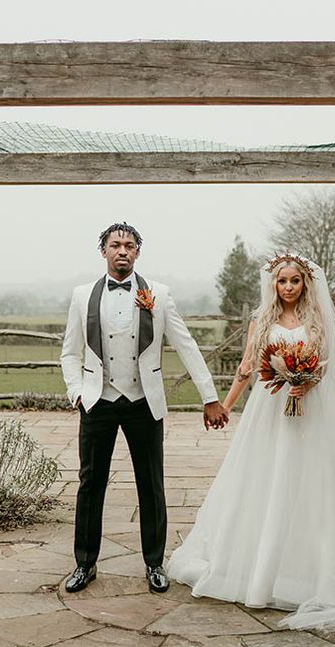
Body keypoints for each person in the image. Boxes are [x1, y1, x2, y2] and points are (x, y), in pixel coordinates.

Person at [168, 254, 335, 633]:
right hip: (269, 412)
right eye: (281, 281)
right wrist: (225, 406)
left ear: (305, 283)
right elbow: (247, 367)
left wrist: (308, 381)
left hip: (310, 413)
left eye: (294, 282)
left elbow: (328, 366)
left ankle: (312, 571)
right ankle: (257, 566)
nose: (287, 288)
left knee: (311, 483)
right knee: (263, 480)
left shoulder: (317, 320)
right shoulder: (261, 320)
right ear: (273, 284)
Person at [60, 222, 229, 594]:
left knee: (151, 484)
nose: (123, 251)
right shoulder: (81, 295)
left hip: (143, 402)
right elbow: (70, 352)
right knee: (90, 485)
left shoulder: (160, 294)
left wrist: (209, 395)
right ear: (102, 250)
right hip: (98, 403)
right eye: (115, 245)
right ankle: (84, 564)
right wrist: (77, 392)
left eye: (130, 245)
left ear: (138, 252)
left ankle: (155, 563)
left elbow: (186, 345)